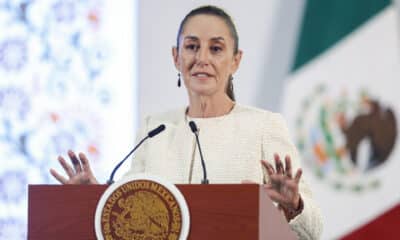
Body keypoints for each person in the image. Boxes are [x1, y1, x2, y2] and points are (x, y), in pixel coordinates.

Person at [50, 5, 323, 239]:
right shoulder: (154, 129)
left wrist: (293, 206)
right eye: (192, 47)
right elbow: (130, 208)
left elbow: (314, 231)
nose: (202, 58)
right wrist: (93, 196)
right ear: (176, 57)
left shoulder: (264, 126)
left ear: (236, 61)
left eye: (216, 48)